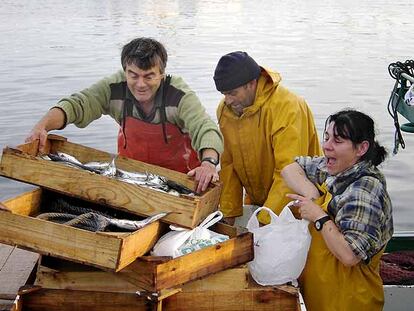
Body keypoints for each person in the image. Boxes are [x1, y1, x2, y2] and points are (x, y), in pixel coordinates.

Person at [25, 37, 223, 193]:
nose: (140, 84)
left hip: (179, 182)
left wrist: (208, 163)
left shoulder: (179, 95)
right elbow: (78, 104)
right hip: (129, 177)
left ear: (162, 74)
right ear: (125, 71)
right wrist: (43, 126)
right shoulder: (114, 87)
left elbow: (205, 128)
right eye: (133, 75)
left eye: (149, 76)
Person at [281, 109, 393, 310]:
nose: (326, 146)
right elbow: (290, 168)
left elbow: (349, 255)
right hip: (320, 296)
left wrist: (319, 216)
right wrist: (311, 195)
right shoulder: (333, 168)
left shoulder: (364, 190)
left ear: (361, 148)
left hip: (348, 301)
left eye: (338, 141)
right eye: (326, 137)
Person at [213, 51, 321, 224]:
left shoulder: (288, 107)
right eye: (224, 94)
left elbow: (289, 173)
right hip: (259, 202)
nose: (228, 101)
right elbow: (229, 165)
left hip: (299, 207)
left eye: (232, 93)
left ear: (252, 83)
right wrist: (229, 213)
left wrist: (264, 220)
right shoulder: (226, 111)